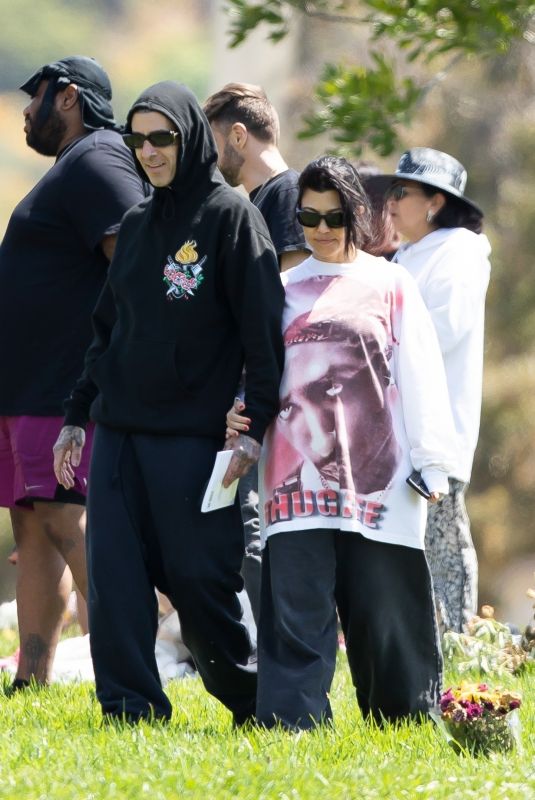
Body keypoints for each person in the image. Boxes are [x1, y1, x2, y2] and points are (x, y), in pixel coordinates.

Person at [53, 81, 285, 724]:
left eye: (163, 138)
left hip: (193, 438)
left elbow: (262, 335)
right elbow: (106, 332)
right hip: (118, 433)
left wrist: (253, 426)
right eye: (139, 140)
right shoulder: (134, 224)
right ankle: (130, 707)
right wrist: (76, 417)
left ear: (189, 138)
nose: (149, 152)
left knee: (199, 578)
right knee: (116, 577)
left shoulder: (231, 218)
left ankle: (252, 699)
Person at [226, 156, 457, 729]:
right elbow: (256, 375)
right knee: (297, 613)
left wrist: (432, 462)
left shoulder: (392, 283)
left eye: (333, 217)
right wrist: (237, 414)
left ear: (355, 214)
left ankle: (404, 720)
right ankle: (292, 724)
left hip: (382, 481)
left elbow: (421, 371)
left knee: (384, 611)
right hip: (292, 479)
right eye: (309, 217)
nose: (321, 229)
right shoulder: (279, 291)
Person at [0, 56, 148, 689]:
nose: (26, 112)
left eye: (35, 98)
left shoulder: (98, 158)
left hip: (63, 386)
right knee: (33, 524)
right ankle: (30, 681)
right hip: (26, 386)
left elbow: (137, 257)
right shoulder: (72, 170)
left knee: (67, 517)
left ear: (68, 98)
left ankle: (132, 674)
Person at [203, 82, 309, 622]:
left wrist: (253, 396)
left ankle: (272, 651)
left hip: (275, 401)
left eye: (215, 139)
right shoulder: (259, 203)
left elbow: (293, 307)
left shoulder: (287, 195)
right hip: (256, 396)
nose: (210, 154)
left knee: (253, 526)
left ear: (239, 136)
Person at [383, 147, 491, 634]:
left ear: (435, 202)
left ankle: (463, 652)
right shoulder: (406, 254)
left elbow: (446, 327)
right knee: (410, 549)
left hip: (437, 429)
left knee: (445, 544)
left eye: (402, 191)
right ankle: (424, 652)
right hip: (398, 428)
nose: (392, 201)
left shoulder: (461, 250)